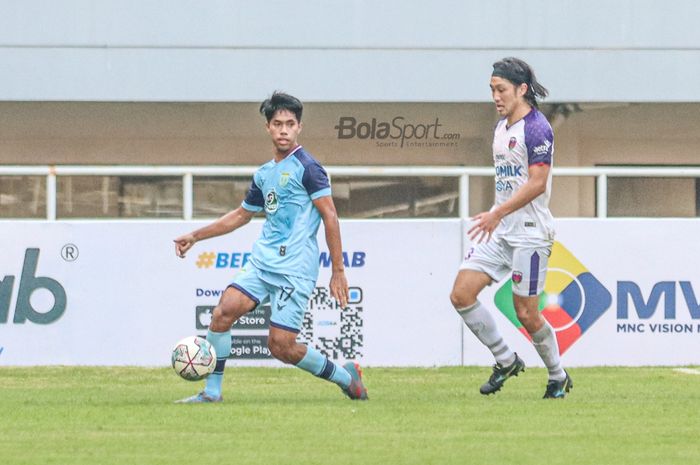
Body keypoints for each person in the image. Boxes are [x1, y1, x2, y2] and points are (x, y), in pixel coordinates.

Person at [173, 91, 367, 403]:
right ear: (268, 128)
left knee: (281, 347)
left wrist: (338, 271)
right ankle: (211, 392)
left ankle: (347, 378)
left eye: (290, 124)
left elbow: (330, 215)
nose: (284, 130)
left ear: (299, 128)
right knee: (223, 312)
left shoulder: (309, 168)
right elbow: (241, 215)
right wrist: (196, 235)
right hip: (263, 263)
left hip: (295, 269)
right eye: (278, 124)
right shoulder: (264, 174)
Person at [450, 57, 572, 399]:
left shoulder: (537, 128)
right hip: (501, 229)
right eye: (492, 89)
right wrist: (497, 215)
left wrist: (497, 212)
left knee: (526, 313)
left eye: (501, 89)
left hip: (530, 233)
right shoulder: (500, 129)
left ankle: (557, 375)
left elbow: (537, 183)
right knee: (461, 294)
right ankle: (506, 359)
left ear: (521, 89)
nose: (495, 96)